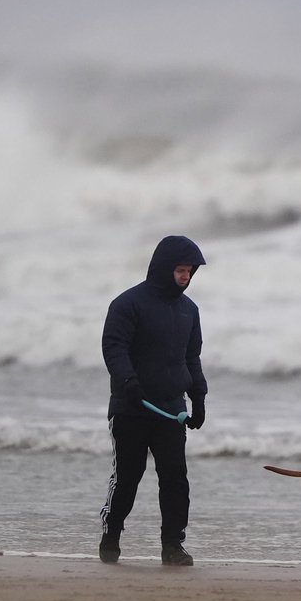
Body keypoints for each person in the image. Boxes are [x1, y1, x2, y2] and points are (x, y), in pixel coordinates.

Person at [98, 234, 209, 566]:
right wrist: (128, 381)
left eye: (190, 271)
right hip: (131, 407)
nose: (186, 276)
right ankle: (111, 533)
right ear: (164, 268)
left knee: (175, 478)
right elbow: (113, 347)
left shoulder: (190, 310)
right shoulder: (127, 304)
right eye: (180, 270)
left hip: (171, 408)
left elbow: (192, 358)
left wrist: (199, 396)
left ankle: (173, 545)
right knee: (127, 477)